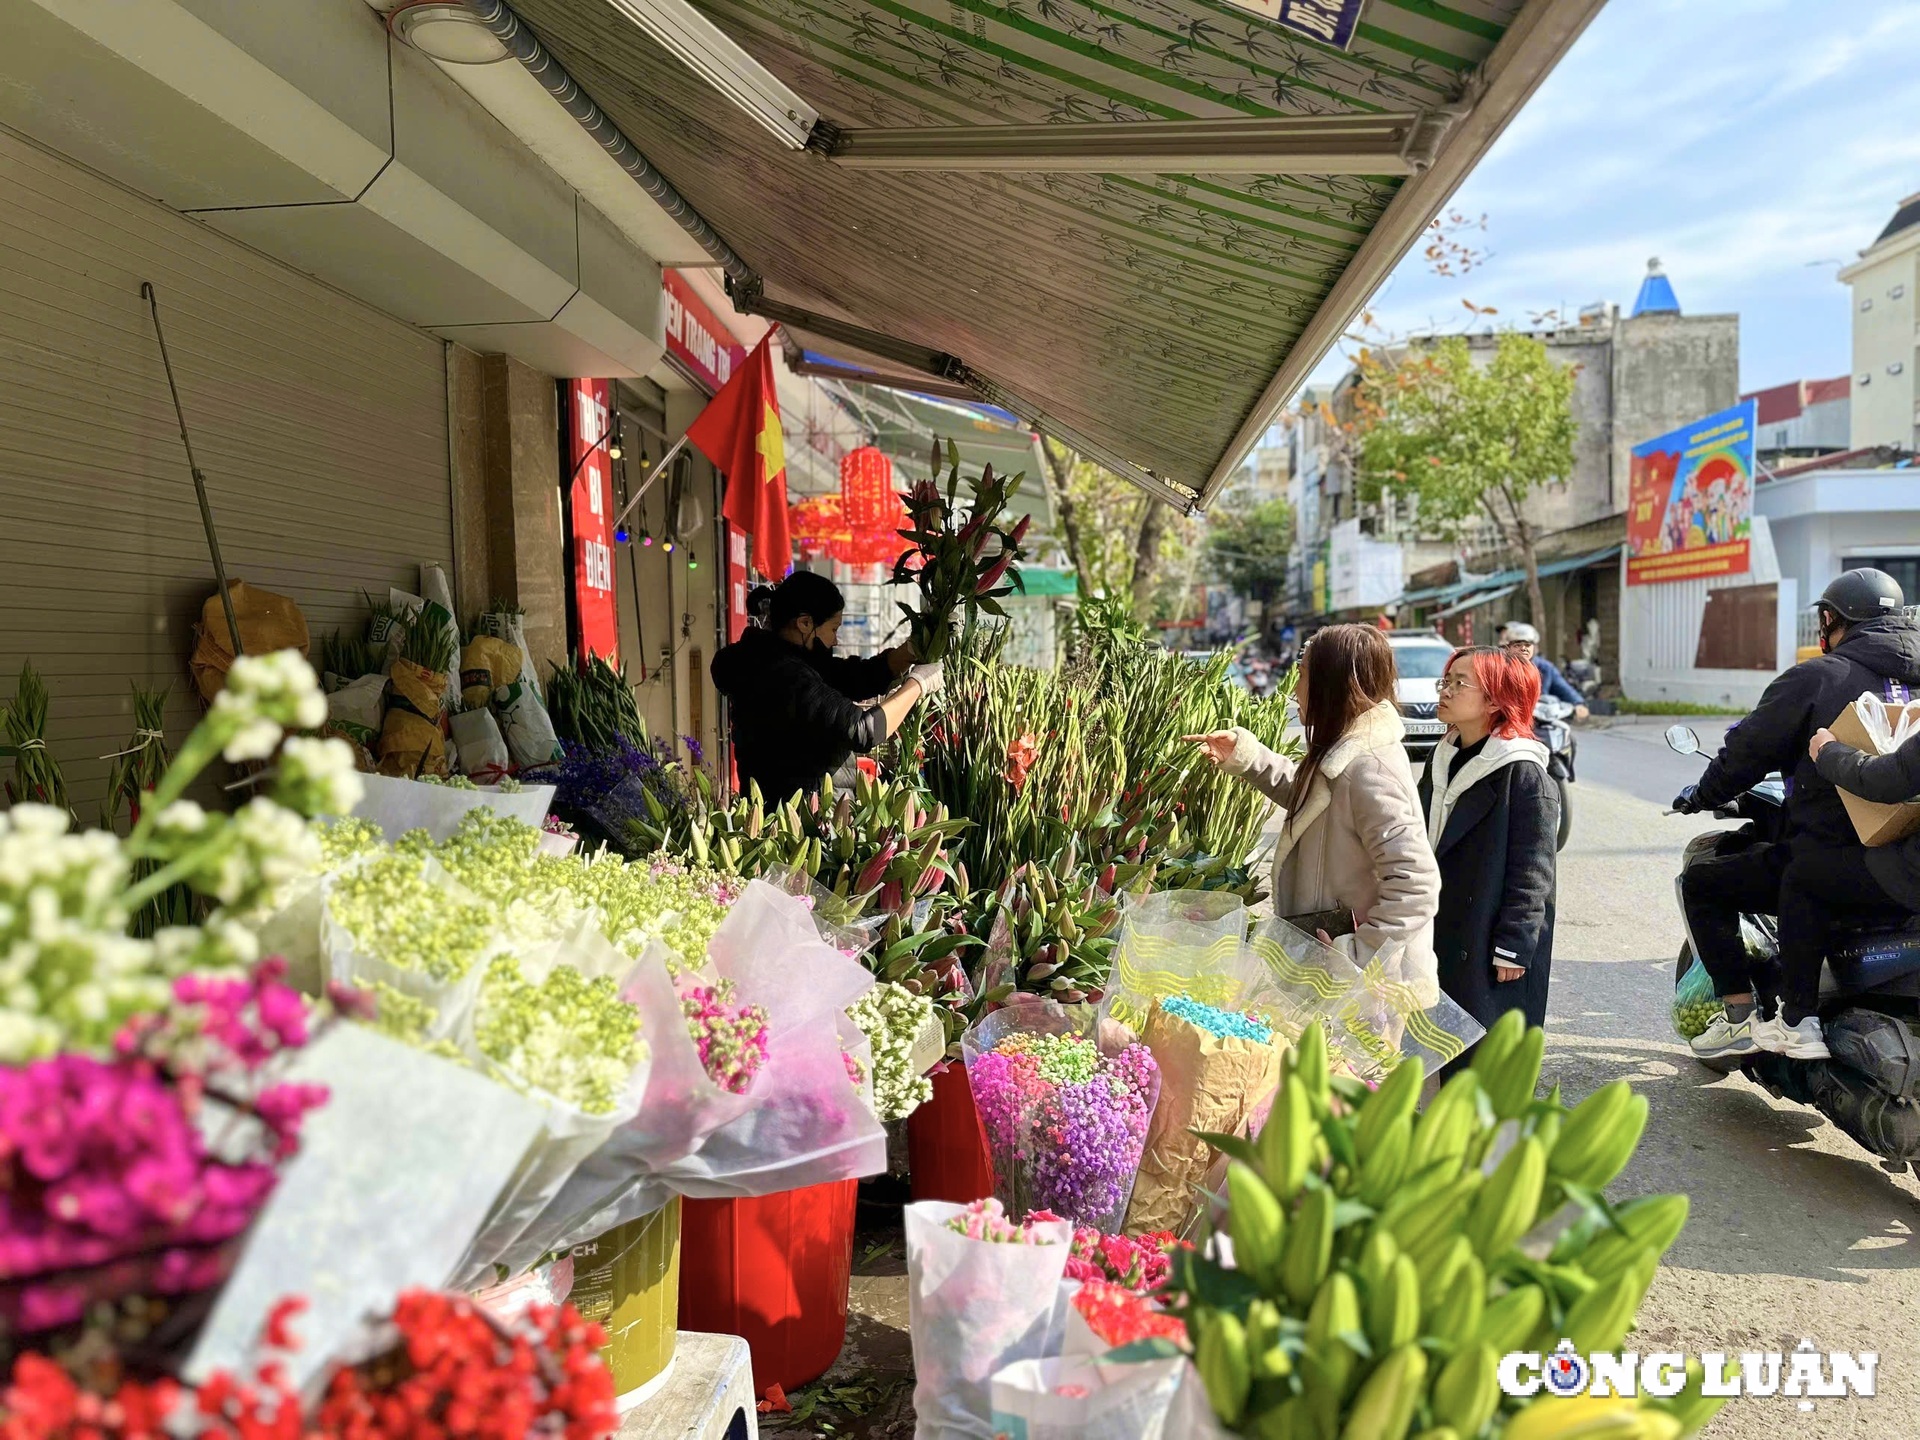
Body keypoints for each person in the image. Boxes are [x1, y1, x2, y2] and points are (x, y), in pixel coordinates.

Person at [1674, 567, 1920, 1060]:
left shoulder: (1816, 677)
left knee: (1711, 884)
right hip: (1904, 852)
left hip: (1852, 860)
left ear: (1830, 620)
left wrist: (1702, 794)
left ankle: (1747, 1017)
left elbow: (1748, 751)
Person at [1186, 623, 1441, 1000]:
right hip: (1332, 973)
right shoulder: (1347, 751)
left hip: (1366, 989)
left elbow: (1416, 884)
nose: (1294, 690)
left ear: (1331, 684)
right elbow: (1314, 800)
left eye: (1303, 676)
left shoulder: (1370, 766)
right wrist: (1249, 758)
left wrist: (1355, 954)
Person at [710, 571, 940, 803]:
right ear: (805, 623)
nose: (836, 640)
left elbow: (852, 677)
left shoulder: (779, 661)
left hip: (790, 811)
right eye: (833, 629)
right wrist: (917, 685)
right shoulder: (783, 675)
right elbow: (863, 731)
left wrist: (910, 651)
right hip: (799, 821)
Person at [1421, 648, 1558, 1034]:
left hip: (1489, 933)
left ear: (1496, 699)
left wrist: (1514, 944)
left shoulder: (1524, 773)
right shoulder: (1443, 757)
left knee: (1485, 1051)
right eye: (1445, 681)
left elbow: (1533, 871)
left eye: (1459, 682)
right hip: (1444, 917)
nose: (1445, 690)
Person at [1499, 622, 1589, 720]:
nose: (1523, 649)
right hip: (1509, 721)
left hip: (1540, 721)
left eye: (1528, 644)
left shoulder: (1546, 668)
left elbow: (1563, 688)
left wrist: (1578, 703)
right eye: (1518, 645)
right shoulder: (1501, 666)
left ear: (1536, 647)